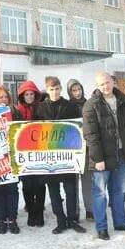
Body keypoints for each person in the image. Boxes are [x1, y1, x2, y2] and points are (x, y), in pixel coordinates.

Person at [82, 72, 125, 240]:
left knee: (119, 190)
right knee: (100, 193)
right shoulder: (91, 105)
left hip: (121, 154)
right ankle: (101, 227)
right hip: (102, 157)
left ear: (113, 82)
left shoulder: (123, 102)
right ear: (97, 86)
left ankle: (120, 222)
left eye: (107, 82)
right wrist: (98, 159)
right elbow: (90, 135)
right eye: (101, 84)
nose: (105, 86)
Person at [34, 76, 86, 235]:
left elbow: (79, 128)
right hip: (49, 157)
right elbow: (35, 131)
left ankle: (73, 219)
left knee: (70, 190)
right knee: (53, 190)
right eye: (51, 89)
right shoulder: (40, 108)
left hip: (67, 155)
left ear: (61, 89)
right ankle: (60, 220)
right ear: (47, 89)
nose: (54, 92)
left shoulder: (70, 106)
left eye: (57, 89)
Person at [0, 85, 22, 235]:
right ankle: (2, 220)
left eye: (5, 97)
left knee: (12, 189)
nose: (3, 99)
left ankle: (12, 219)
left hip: (12, 155)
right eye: (0, 97)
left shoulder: (15, 111)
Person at [17, 80, 46, 227]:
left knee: (40, 185)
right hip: (23, 154)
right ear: (22, 96)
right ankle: (31, 212)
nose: (29, 96)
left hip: (40, 152)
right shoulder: (17, 111)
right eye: (26, 94)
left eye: (31, 94)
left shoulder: (42, 108)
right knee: (27, 185)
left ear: (36, 95)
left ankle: (40, 213)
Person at [67, 78, 92, 221]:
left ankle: (90, 209)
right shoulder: (67, 106)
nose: (77, 93)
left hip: (87, 149)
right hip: (72, 150)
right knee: (73, 184)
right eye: (74, 90)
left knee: (88, 182)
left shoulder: (88, 104)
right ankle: (74, 211)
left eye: (79, 89)